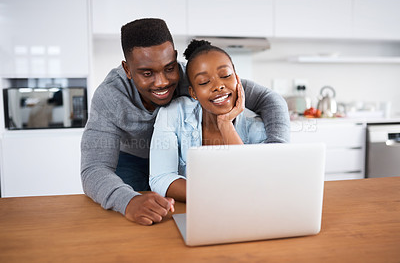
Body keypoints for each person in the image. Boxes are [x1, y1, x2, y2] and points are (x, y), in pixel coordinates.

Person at [81, 18, 290, 226]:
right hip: (133, 158)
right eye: (147, 73)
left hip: (176, 159)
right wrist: (128, 201)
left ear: (174, 58)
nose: (162, 82)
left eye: (169, 68)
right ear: (127, 70)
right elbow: (94, 168)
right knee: (136, 221)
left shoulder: (197, 77)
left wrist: (276, 154)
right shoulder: (110, 96)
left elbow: (270, 100)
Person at [149, 39, 274, 201]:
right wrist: (214, 196)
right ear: (193, 93)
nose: (218, 86)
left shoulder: (256, 125)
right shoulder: (173, 113)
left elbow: (258, 182)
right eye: (204, 82)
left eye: (225, 75)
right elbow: (161, 178)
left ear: (237, 79)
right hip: (195, 211)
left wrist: (225, 124)